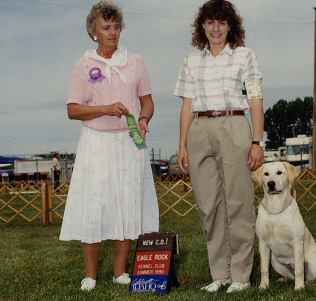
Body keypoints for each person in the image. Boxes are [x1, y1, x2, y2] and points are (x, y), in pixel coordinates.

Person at [59, 1, 159, 291]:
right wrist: (104, 108)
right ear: (93, 31)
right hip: (96, 141)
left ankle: (119, 273)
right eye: (106, 27)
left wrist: (142, 118)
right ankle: (90, 275)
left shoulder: (135, 61)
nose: (112, 32)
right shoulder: (83, 65)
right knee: (95, 205)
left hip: (130, 141)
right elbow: (73, 110)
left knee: (126, 203)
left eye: (116, 27)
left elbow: (147, 100)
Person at [173, 0, 264, 293]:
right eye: (210, 22)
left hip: (234, 125)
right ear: (202, 25)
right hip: (200, 129)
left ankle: (241, 275)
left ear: (231, 26)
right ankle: (220, 274)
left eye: (222, 23)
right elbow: (187, 105)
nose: (216, 29)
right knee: (209, 204)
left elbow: (255, 101)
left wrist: (256, 142)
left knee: (238, 202)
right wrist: (182, 145)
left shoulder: (245, 56)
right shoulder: (191, 61)